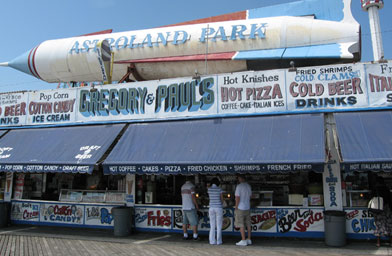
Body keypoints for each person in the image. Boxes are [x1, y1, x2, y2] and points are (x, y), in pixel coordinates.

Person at [370, 176, 392, 247]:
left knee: (378, 225)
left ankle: (378, 242)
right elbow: (389, 199)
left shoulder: (374, 189)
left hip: (378, 209)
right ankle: (391, 241)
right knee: (388, 224)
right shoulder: (386, 189)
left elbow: (371, 198)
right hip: (386, 208)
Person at [234, 174, 252, 246]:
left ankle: (243, 239)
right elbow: (250, 196)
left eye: (238, 178)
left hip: (241, 207)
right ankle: (249, 239)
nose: (238, 180)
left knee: (241, 224)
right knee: (248, 224)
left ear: (241, 178)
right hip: (247, 207)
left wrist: (236, 206)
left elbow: (237, 198)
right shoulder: (248, 186)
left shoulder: (239, 187)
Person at [208, 177, 224, 245]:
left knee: (212, 225)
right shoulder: (219, 189)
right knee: (219, 225)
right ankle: (218, 241)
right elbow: (222, 199)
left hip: (211, 208)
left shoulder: (209, 189)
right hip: (218, 208)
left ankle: (212, 241)